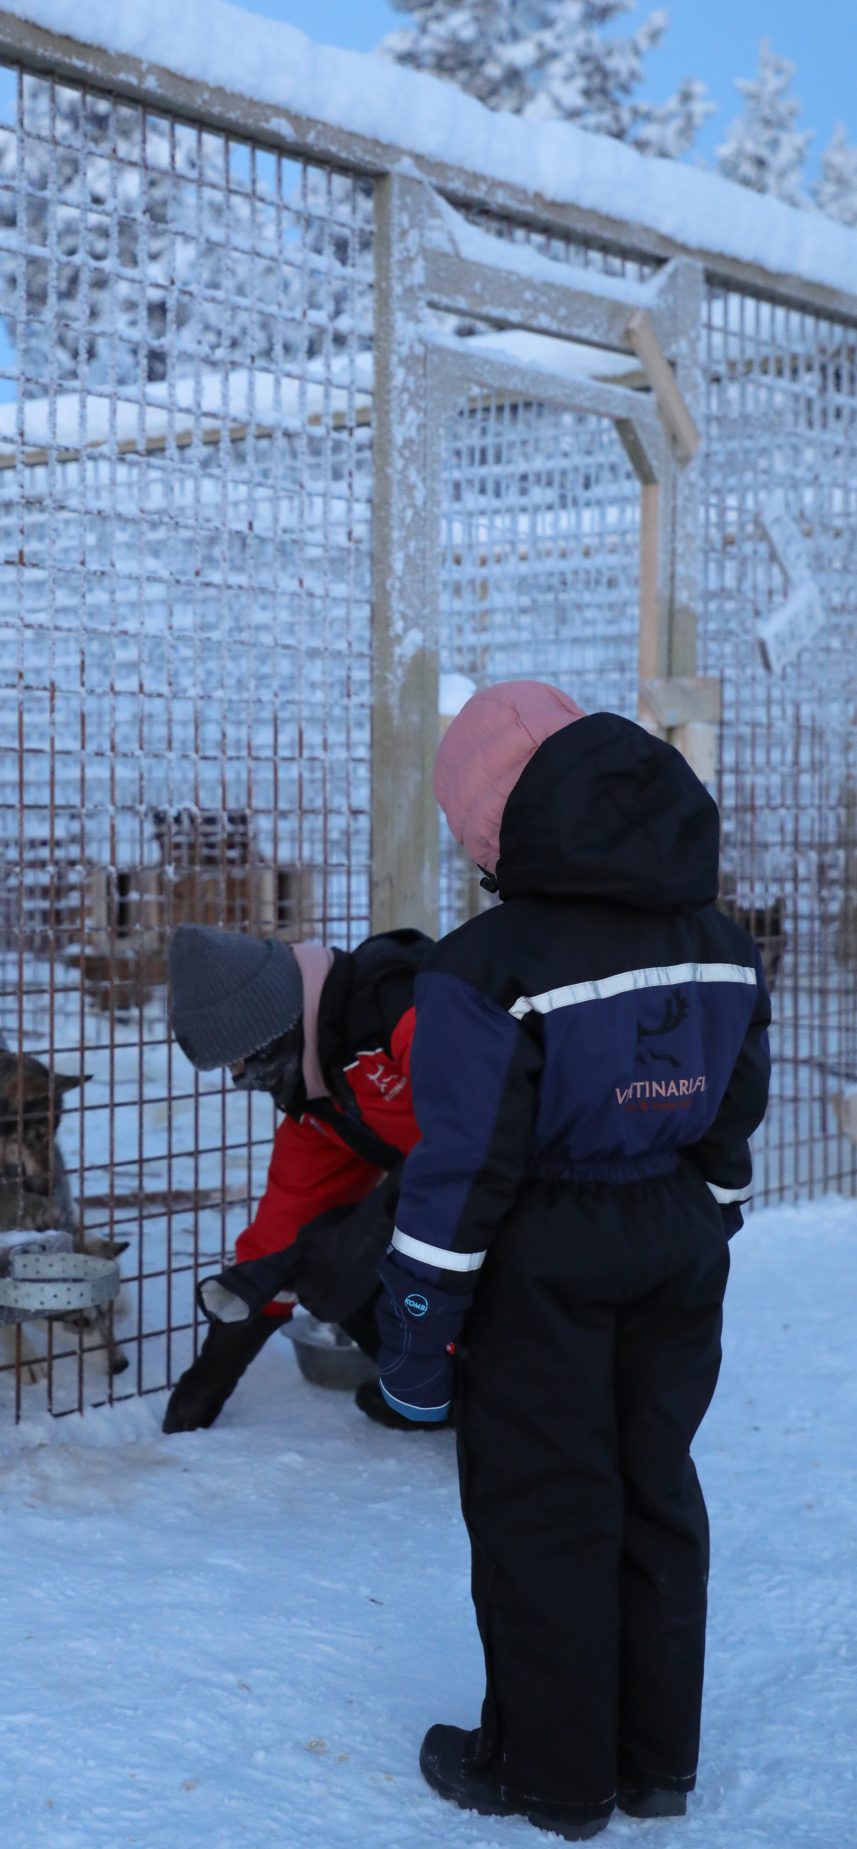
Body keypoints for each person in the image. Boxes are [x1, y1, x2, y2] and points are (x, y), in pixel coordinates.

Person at [373, 682, 770, 1841]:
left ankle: (551, 1774)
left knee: (547, 1504)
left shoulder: (483, 966)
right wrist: (709, 1218)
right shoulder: (724, 944)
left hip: (542, 1256)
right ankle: (657, 1764)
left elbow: (461, 1177)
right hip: (678, 1241)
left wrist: (414, 1336)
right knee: (655, 1486)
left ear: (495, 828)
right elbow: (734, 1113)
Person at [163, 921, 432, 1434]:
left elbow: (489, 1128)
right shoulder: (320, 1102)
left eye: (242, 1063)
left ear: (272, 1030)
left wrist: (363, 1235)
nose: (244, 1079)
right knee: (319, 1259)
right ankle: (441, 1386)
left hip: (569, 1188)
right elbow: (279, 1238)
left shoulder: (400, 1004)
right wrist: (208, 1380)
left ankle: (491, 1391)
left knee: (345, 1253)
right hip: (488, 1198)